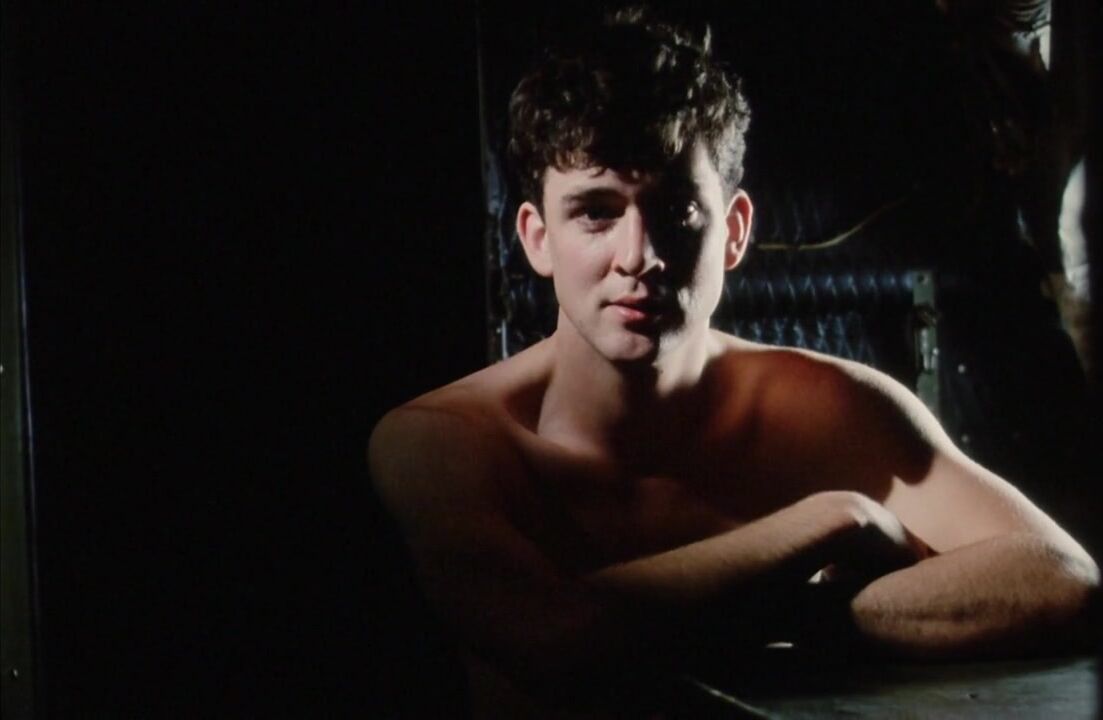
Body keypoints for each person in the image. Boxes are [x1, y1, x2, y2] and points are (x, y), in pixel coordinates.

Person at [369, 7, 1100, 716]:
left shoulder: (827, 407)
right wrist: (832, 518)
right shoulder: (443, 441)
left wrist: (808, 617)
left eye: (677, 211)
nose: (639, 256)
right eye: (596, 212)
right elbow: (553, 641)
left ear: (735, 230)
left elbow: (1060, 575)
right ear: (535, 238)